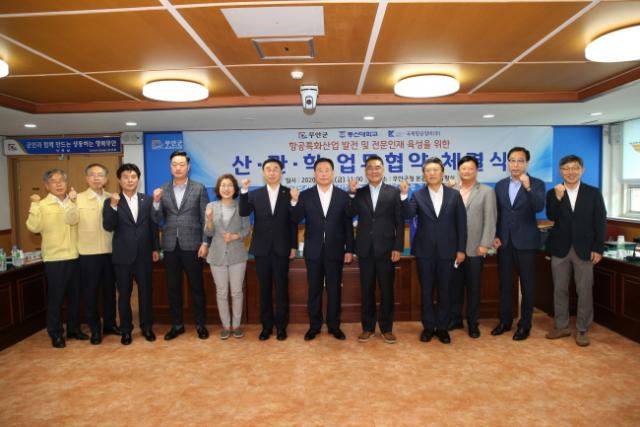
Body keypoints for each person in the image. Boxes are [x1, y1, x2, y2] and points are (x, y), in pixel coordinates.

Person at [400, 158, 466, 344]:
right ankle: (428, 327)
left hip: (448, 251)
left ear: (442, 173)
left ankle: (443, 328)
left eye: (435, 170)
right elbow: (408, 214)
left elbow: (461, 224)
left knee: (445, 291)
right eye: (428, 170)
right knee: (426, 291)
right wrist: (404, 195)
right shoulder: (418, 195)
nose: (432, 173)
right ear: (424, 175)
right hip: (425, 252)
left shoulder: (454, 195)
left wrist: (461, 249)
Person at [545, 155, 606, 347]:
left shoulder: (593, 193)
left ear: (582, 170)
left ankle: (582, 329)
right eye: (566, 168)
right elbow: (552, 216)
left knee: (584, 290)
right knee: (559, 289)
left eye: (575, 168)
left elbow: (600, 221)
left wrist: (598, 248)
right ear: (560, 171)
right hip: (559, 248)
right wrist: (558, 198)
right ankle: (561, 326)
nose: (570, 172)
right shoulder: (553, 192)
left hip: (585, 249)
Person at [291, 157, 354, 341]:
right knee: (314, 289)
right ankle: (314, 326)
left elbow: (347, 224)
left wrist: (349, 249)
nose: (324, 174)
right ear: (314, 174)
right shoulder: (305, 195)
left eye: (327, 170)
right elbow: (295, 218)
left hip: (336, 250)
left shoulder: (342, 196)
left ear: (333, 173)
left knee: (335, 290)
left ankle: (334, 326)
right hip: (313, 250)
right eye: (320, 170)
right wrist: (294, 201)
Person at [26, 168, 88, 348]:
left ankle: (74, 329)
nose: (59, 184)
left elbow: (75, 220)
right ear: (47, 186)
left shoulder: (72, 201)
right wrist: (34, 205)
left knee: (75, 296)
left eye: (62, 181)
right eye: (53, 181)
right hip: (54, 258)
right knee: (56, 298)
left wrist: (73, 202)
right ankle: (55, 333)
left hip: (74, 255)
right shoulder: (42, 205)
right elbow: (33, 227)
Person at [152, 150, 210, 341]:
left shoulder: (199, 188)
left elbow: (205, 218)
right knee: (173, 288)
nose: (178, 168)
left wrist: (205, 242)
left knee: (197, 287)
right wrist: (156, 203)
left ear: (188, 167)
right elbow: (157, 219)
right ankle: (177, 325)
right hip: (170, 246)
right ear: (170, 167)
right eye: (174, 164)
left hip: (193, 245)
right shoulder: (162, 190)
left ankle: (200, 324)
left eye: (181, 164)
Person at [239, 159, 297, 341]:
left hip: (282, 248)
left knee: (281, 290)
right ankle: (266, 327)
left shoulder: (289, 193)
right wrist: (244, 191)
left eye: (275, 169)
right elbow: (243, 212)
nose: (272, 172)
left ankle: (281, 327)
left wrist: (293, 246)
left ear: (281, 172)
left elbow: (293, 222)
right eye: (268, 169)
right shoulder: (255, 194)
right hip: (262, 249)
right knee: (264, 289)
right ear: (263, 173)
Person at [348, 155, 403, 344]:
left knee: (387, 290)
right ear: (366, 171)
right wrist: (351, 194)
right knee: (367, 290)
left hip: (387, 249)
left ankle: (387, 328)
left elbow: (399, 222)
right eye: (370, 168)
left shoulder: (393, 192)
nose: (374, 171)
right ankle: (368, 328)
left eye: (377, 167)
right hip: (365, 249)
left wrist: (398, 247)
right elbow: (349, 213)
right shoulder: (359, 192)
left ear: (383, 170)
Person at [491, 146, 545, 341]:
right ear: (507, 163)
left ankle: (525, 325)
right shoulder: (500, 185)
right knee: (505, 284)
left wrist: (528, 187)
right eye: (512, 160)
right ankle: (505, 321)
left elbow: (538, 206)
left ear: (527, 163)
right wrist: (495, 235)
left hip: (526, 243)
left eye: (520, 161)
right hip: (504, 242)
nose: (516, 165)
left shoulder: (537, 184)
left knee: (528, 286)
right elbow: (497, 214)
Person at [103, 163, 160, 345]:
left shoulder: (147, 200)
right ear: (119, 180)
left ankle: (147, 327)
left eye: (133, 177)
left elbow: (153, 226)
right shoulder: (112, 201)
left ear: (138, 180)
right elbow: (108, 226)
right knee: (124, 295)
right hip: (122, 256)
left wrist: (155, 248)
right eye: (126, 177)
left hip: (144, 254)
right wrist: (113, 207)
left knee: (146, 293)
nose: (130, 180)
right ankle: (126, 330)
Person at [65, 163, 119, 345]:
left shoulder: (112, 198)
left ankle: (110, 325)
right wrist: (71, 202)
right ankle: (95, 329)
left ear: (106, 179)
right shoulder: (77, 198)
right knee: (90, 294)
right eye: (92, 175)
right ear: (86, 178)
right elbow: (70, 220)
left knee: (110, 292)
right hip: (88, 254)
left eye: (100, 175)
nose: (96, 178)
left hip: (110, 252)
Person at [447, 156, 497, 338]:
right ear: (458, 171)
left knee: (474, 288)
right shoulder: (451, 191)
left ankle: (473, 323)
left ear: (476, 170)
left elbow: (490, 219)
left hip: (476, 248)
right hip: (453, 249)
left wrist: (485, 244)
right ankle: (455, 319)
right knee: (455, 287)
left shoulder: (486, 191)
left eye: (470, 168)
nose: (466, 171)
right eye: (463, 168)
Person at [204, 174, 250, 340]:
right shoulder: (211, 206)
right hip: (217, 254)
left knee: (236, 292)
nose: (226, 188)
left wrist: (235, 236)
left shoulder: (241, 206)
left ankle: (236, 326)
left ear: (234, 189)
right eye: (223, 185)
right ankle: (225, 326)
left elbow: (246, 229)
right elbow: (208, 232)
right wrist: (209, 220)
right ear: (218, 188)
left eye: (229, 185)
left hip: (237, 254)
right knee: (222, 292)